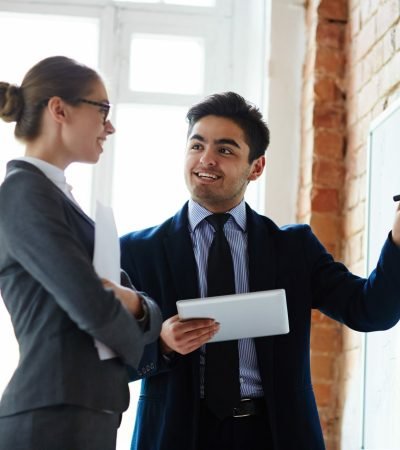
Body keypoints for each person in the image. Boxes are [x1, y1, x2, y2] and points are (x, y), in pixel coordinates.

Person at [120, 91, 400, 450]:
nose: (206, 160)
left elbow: (371, 310)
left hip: (275, 434)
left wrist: (396, 241)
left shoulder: (294, 249)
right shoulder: (137, 251)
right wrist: (161, 345)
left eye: (225, 150)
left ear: (257, 167)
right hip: (177, 434)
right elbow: (103, 360)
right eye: (196, 145)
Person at [0, 56, 161, 450]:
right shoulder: (23, 193)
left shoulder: (57, 198)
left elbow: (124, 296)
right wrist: (143, 338)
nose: (110, 126)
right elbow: (90, 301)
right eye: (102, 109)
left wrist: (138, 308)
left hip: (80, 413)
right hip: (51, 417)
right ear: (59, 109)